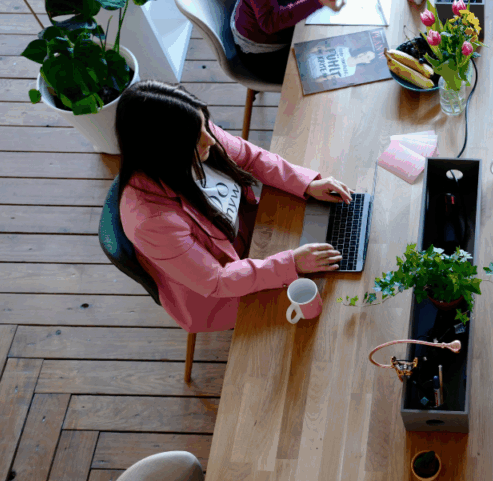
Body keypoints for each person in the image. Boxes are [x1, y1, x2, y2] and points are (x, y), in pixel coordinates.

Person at [115, 80, 353, 333]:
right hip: (221, 293)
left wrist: (306, 184)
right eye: (196, 138)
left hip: (252, 237)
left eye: (205, 124)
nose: (211, 139)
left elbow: (251, 158)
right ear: (163, 150)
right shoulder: (151, 222)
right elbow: (216, 280)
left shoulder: (193, 131)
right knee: (328, 311)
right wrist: (290, 263)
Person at [231, 0, 341, 83]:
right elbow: (270, 22)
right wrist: (317, 2)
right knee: (324, 74)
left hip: (274, 27)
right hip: (263, 56)